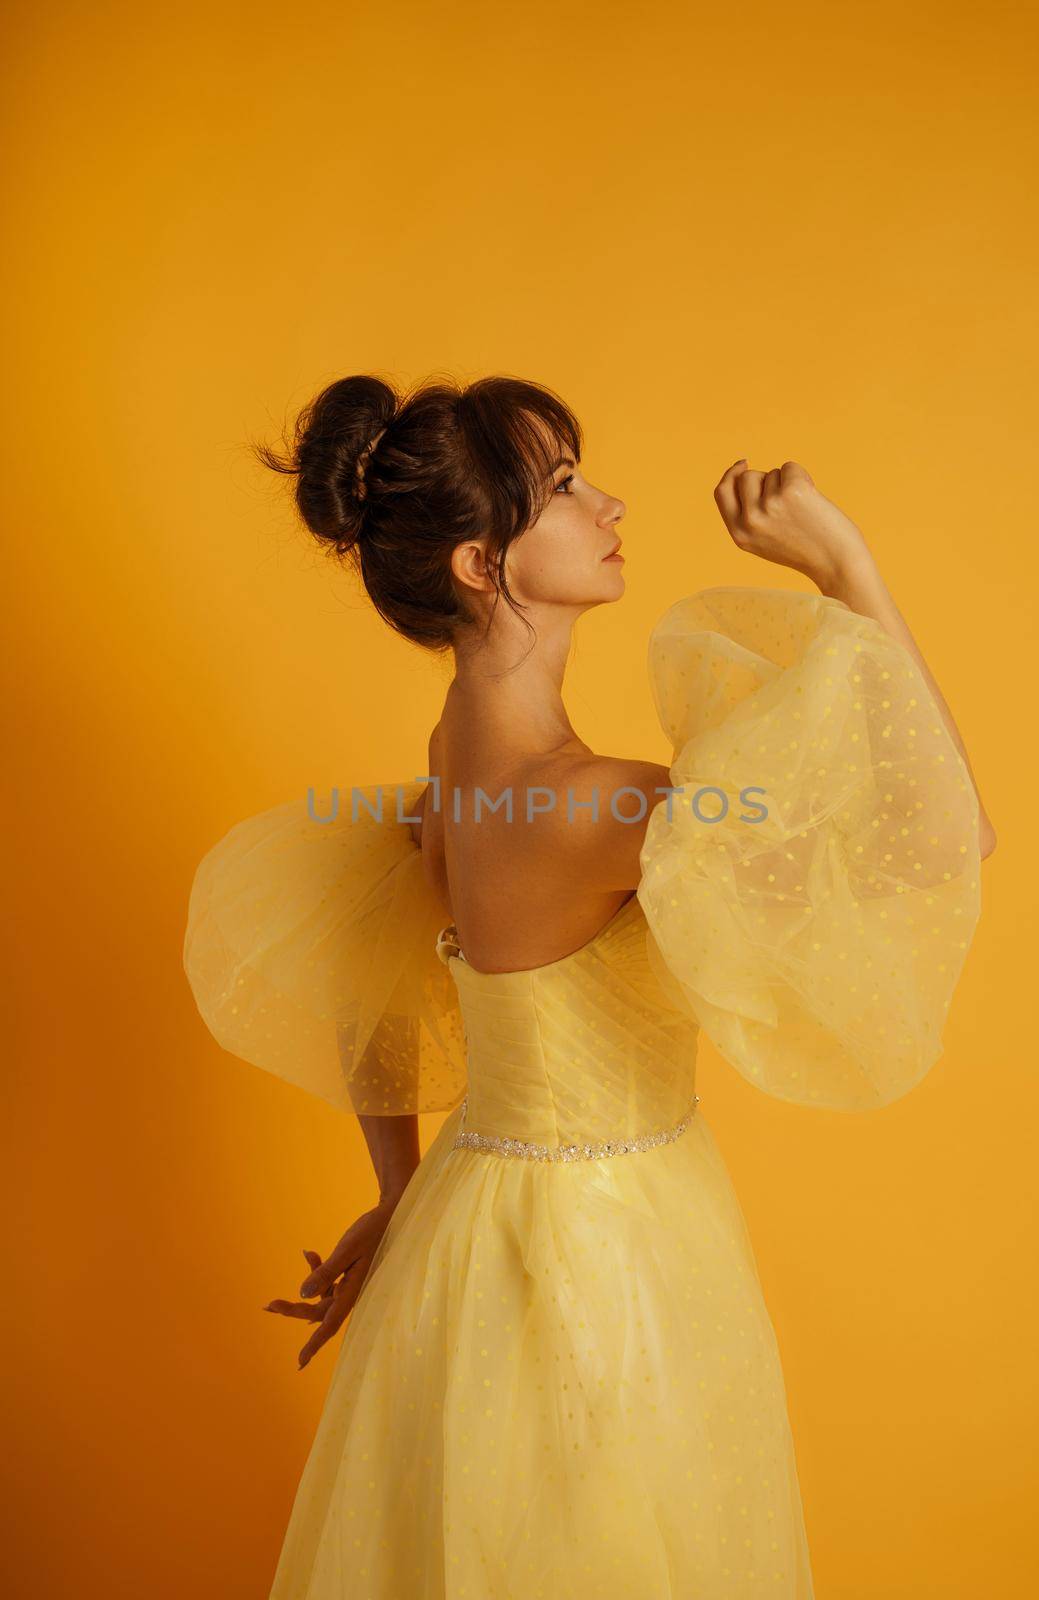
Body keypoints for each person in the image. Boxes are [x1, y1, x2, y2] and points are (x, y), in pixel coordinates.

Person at [183, 373, 995, 1598]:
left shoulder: (457, 760)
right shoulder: (594, 804)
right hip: (597, 1258)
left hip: (475, 1227)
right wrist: (844, 566)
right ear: (478, 561)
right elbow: (947, 836)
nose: (606, 502)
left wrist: (402, 1193)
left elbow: (361, 940)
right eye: (562, 488)